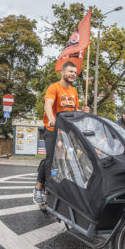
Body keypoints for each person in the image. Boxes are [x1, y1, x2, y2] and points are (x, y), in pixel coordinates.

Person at [33, 61, 90, 205]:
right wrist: (52, 119)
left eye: (74, 72)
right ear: (62, 72)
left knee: (65, 161)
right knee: (51, 159)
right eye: (70, 71)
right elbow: (48, 104)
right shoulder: (54, 88)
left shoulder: (74, 91)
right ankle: (39, 188)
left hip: (66, 131)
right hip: (52, 129)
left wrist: (82, 112)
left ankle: (59, 189)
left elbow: (73, 111)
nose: (73, 74)